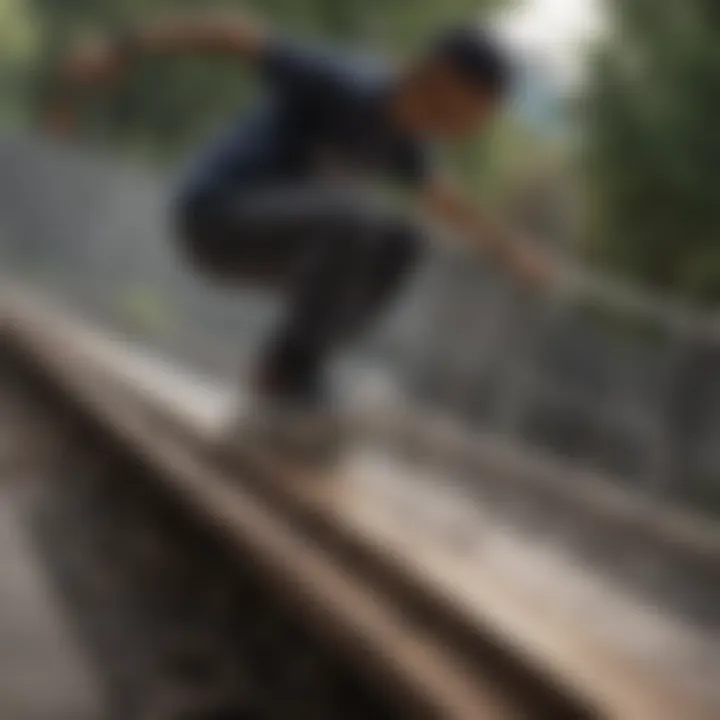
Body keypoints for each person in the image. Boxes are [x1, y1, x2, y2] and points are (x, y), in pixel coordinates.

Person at [50, 12, 555, 458]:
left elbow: (448, 203)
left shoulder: (406, 143)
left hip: (271, 243)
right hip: (214, 216)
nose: (471, 128)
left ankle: (306, 381)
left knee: (404, 240)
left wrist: (513, 255)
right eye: (476, 112)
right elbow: (234, 36)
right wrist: (121, 47)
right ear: (444, 80)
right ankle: (285, 380)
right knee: (356, 218)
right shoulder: (345, 82)